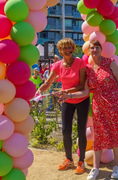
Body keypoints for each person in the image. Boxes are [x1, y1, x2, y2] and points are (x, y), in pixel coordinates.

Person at [58, 40, 118, 179]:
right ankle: (95, 168)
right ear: (89, 51)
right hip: (99, 105)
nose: (95, 50)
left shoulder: (110, 62)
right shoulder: (88, 69)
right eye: (92, 48)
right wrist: (67, 96)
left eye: (97, 47)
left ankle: (116, 166)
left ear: (101, 49)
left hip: (115, 103)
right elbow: (85, 91)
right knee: (98, 135)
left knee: (116, 134)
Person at [38, 38, 89, 174]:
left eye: (70, 47)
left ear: (73, 49)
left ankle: (81, 161)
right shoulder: (58, 65)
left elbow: (81, 85)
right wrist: (39, 91)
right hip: (67, 101)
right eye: (64, 48)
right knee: (66, 131)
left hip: (81, 99)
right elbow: (48, 83)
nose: (67, 50)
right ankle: (69, 159)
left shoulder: (80, 62)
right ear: (60, 51)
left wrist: (66, 91)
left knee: (81, 131)